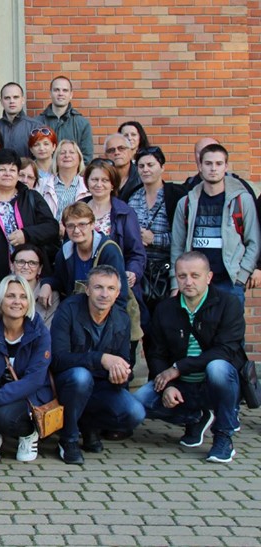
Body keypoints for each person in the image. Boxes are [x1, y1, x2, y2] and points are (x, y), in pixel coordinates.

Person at [133, 252, 244, 463]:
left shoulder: (228, 304)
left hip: (214, 384)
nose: (188, 281)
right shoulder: (165, 309)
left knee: (218, 367)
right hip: (181, 386)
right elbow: (156, 352)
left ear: (209, 277)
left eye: (195, 275)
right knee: (137, 405)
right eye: (182, 276)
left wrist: (178, 368)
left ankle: (223, 437)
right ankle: (195, 417)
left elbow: (226, 350)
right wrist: (167, 386)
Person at [50, 265, 145, 465]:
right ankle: (69, 439)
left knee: (135, 412)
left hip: (101, 386)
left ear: (118, 292)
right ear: (87, 289)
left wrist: (121, 376)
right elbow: (57, 359)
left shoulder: (122, 318)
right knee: (81, 377)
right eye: (98, 287)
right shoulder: (69, 309)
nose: (104, 294)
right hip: (66, 384)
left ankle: (88, 423)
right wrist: (100, 358)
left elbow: (124, 361)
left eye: (110, 289)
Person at [0, 275, 52, 463]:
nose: (17, 302)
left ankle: (29, 433)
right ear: (0, 300)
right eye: (10, 296)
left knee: (3, 417)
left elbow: (34, 380)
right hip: (0, 388)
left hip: (31, 394)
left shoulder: (40, 332)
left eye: (23, 297)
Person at [170, 143, 261, 305]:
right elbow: (177, 246)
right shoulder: (186, 203)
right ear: (199, 166)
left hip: (230, 283)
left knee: (230, 330)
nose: (213, 168)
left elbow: (253, 241)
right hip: (195, 283)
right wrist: (176, 282)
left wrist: (241, 276)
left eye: (219, 164)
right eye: (208, 163)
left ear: (226, 166)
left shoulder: (242, 200)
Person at [0, 149, 59, 292]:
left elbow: (52, 227)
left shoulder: (31, 197)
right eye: (2, 169)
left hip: (31, 277)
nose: (7, 174)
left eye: (12, 170)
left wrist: (26, 234)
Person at [125, 146, 187, 313]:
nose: (146, 170)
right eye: (141, 166)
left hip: (166, 270)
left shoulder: (175, 195)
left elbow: (184, 238)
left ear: (162, 167)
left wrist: (154, 239)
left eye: (150, 165)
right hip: (139, 270)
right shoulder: (132, 196)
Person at [81, 159, 147, 307]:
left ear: (113, 184)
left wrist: (132, 271)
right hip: (83, 282)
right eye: (94, 179)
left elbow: (136, 252)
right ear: (87, 182)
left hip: (113, 285)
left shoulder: (125, 212)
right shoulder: (78, 210)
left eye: (105, 180)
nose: (99, 184)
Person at [39, 202, 130, 306]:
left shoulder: (108, 251)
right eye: (70, 226)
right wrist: (47, 284)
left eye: (82, 224)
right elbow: (59, 279)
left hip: (105, 312)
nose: (76, 230)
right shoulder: (65, 251)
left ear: (92, 225)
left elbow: (120, 293)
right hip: (75, 311)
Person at [37, 76, 94, 161]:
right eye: (56, 90)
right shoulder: (37, 122)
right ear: (50, 93)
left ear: (71, 95)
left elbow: (86, 157)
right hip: (44, 173)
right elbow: (33, 153)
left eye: (65, 90)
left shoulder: (82, 124)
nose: (60, 93)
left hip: (72, 173)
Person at [37, 140, 89, 222]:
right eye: (62, 153)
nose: (67, 155)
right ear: (56, 159)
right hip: (49, 233)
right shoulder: (42, 184)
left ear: (79, 159)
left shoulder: (87, 185)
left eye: (72, 152)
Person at [0, 82, 41, 157]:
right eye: (7, 98)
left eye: (16, 97)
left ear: (23, 100)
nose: (11, 101)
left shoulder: (36, 127)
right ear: (1, 102)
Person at [11, 244, 58, 326]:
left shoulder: (51, 295)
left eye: (32, 263)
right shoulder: (3, 292)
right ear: (12, 266)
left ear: (39, 269)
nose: (26, 267)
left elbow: (48, 331)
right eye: (21, 262)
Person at [104, 133, 141, 200]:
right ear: (106, 155)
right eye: (111, 150)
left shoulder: (141, 176)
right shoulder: (101, 179)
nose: (117, 153)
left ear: (130, 152)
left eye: (121, 148)